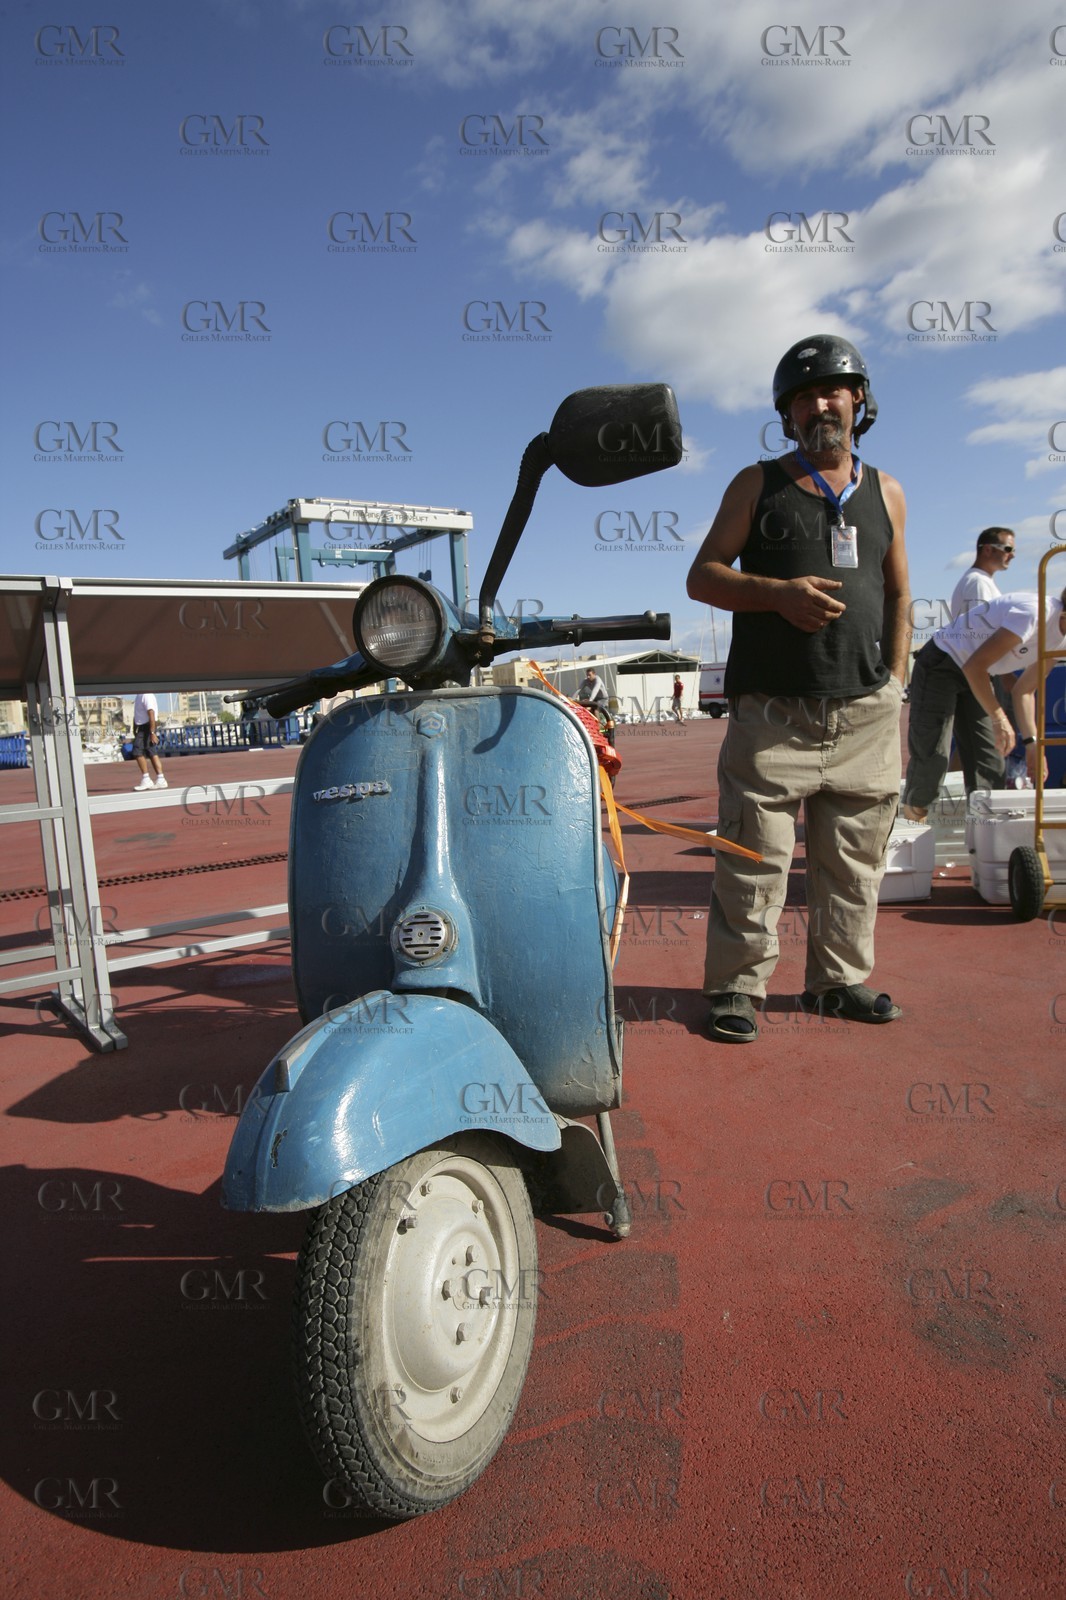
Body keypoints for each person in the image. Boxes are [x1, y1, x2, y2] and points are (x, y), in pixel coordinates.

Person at [686, 333, 911, 1042]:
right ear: (787, 416)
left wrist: (896, 681)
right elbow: (704, 576)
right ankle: (735, 989)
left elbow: (902, 594)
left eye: (833, 391)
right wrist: (777, 593)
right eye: (804, 397)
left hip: (865, 713)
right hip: (774, 715)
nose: (820, 404)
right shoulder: (758, 483)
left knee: (855, 863)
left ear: (859, 402)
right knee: (754, 859)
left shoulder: (888, 491)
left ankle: (837, 983)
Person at [903, 589, 1065, 817]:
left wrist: (1032, 745)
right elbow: (974, 666)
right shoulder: (1033, 613)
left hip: (978, 673)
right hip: (943, 661)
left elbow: (1024, 691)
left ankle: (983, 842)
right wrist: (999, 718)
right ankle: (913, 836)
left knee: (990, 762)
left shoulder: (1062, 640)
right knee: (933, 756)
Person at [131, 691, 167, 791]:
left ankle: (146, 779)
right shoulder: (139, 695)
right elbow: (137, 714)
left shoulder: (146, 695)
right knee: (151, 752)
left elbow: (151, 713)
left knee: (137, 751)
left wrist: (152, 732)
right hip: (142, 727)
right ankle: (161, 779)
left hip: (147, 726)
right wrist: (134, 728)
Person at [576, 666, 615, 740]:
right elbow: (578, 689)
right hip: (595, 699)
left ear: (594, 674)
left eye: (589, 675)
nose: (588, 677)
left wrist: (590, 701)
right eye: (587, 675)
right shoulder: (586, 681)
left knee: (596, 709)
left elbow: (595, 690)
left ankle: (599, 727)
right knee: (586, 707)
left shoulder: (598, 679)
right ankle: (590, 725)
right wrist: (572, 699)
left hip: (603, 699)